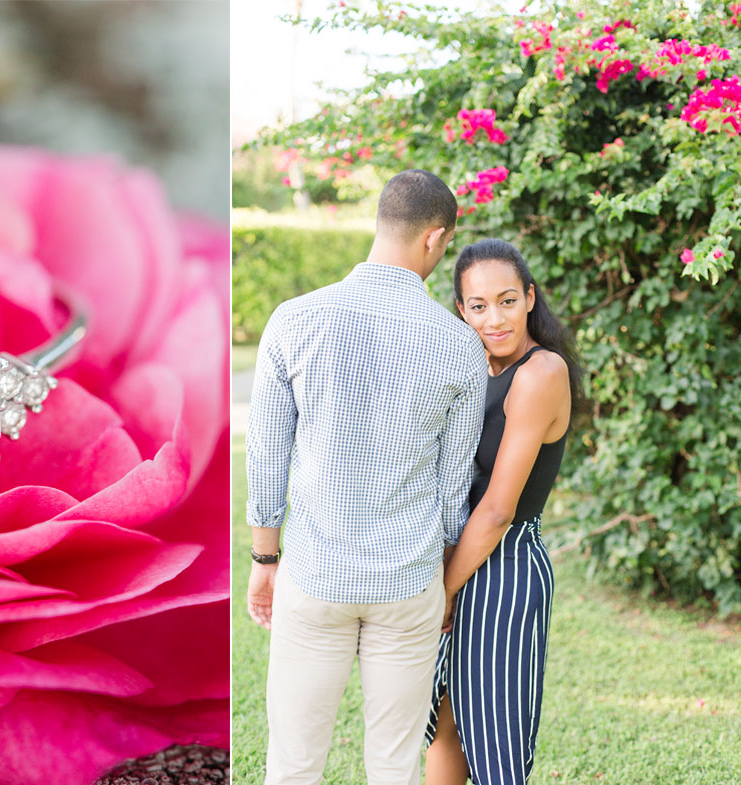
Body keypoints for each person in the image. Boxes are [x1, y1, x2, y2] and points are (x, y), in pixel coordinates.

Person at [245, 169, 488, 785]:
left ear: (380, 223)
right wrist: (444, 580)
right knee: (396, 764)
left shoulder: (295, 319)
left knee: (294, 763)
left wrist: (263, 559)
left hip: (316, 573)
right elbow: (452, 486)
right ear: (436, 239)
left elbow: (267, 453)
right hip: (408, 584)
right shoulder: (460, 345)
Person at [424, 238, 581, 785]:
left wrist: (441, 590)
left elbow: (496, 510)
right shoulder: (475, 371)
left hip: (504, 570)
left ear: (531, 298)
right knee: (444, 723)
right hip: (458, 563)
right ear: (461, 309)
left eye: (508, 301)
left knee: (495, 749)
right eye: (478, 305)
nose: (495, 318)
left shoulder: (541, 373)